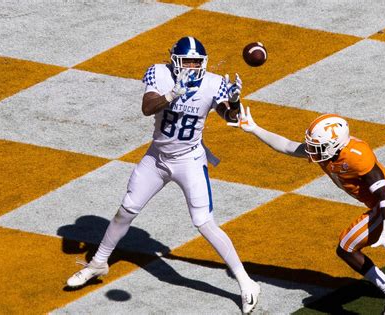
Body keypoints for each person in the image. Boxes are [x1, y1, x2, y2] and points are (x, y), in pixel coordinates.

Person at [66, 36, 260, 314]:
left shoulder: (213, 82)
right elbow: (147, 108)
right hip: (156, 157)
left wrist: (235, 101)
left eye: (197, 62)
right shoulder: (159, 72)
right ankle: (98, 263)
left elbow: (230, 118)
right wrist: (171, 95)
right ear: (174, 62)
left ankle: (246, 282)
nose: (192, 67)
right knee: (126, 210)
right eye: (187, 62)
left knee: (203, 222)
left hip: (190, 161)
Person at [229, 105, 385, 315]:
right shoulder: (328, 151)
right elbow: (288, 146)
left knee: (346, 248)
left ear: (335, 145)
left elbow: (383, 195)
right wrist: (255, 129)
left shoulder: (357, 156)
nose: (312, 151)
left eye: (318, 146)